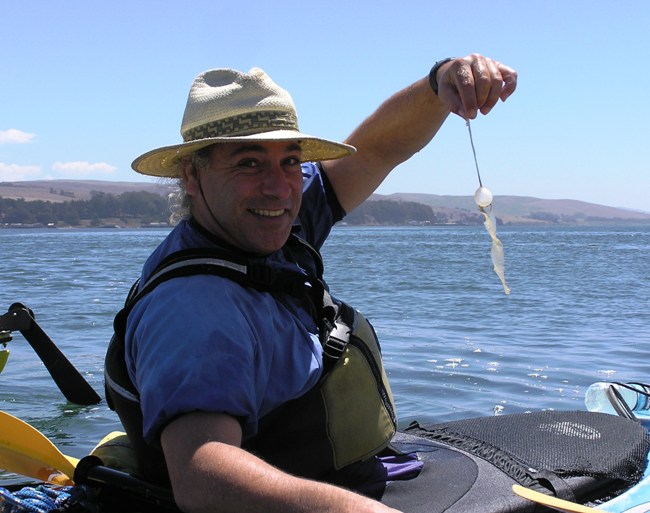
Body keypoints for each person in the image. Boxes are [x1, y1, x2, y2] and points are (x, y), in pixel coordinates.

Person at [105, 55, 517, 513]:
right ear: (192, 175)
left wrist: (439, 82)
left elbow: (379, 148)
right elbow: (202, 476)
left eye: (290, 161)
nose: (280, 187)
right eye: (248, 162)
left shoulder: (267, 226)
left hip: (353, 477)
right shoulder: (194, 311)